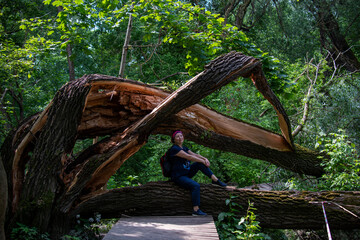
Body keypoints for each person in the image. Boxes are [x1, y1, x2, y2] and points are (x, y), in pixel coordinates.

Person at [167, 130, 227, 216]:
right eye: (177, 136)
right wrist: (203, 161)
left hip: (186, 173)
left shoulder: (184, 148)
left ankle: (215, 180)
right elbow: (189, 157)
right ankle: (196, 210)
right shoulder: (174, 149)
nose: (180, 138)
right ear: (174, 140)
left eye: (181, 136)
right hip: (178, 176)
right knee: (195, 186)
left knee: (199, 164)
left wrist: (204, 158)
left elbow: (194, 154)